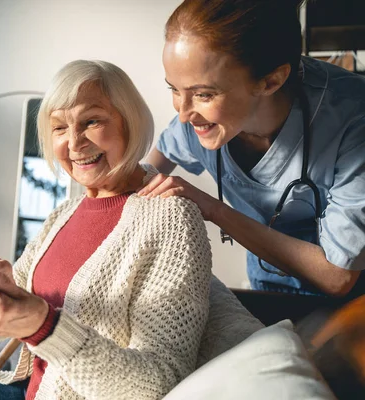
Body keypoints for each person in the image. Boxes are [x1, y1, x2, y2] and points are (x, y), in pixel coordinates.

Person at [0, 60, 212, 400]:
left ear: (130, 123)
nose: (74, 143)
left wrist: (42, 326)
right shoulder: (65, 212)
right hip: (26, 385)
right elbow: (9, 322)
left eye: (91, 121)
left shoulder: (172, 219)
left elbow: (159, 384)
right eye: (60, 127)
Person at [139, 0, 365, 297]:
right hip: (266, 285)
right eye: (174, 89)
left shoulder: (351, 116)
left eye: (204, 94)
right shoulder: (195, 122)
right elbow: (142, 180)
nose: (183, 114)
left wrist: (212, 209)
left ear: (271, 80)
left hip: (352, 307)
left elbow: (339, 276)